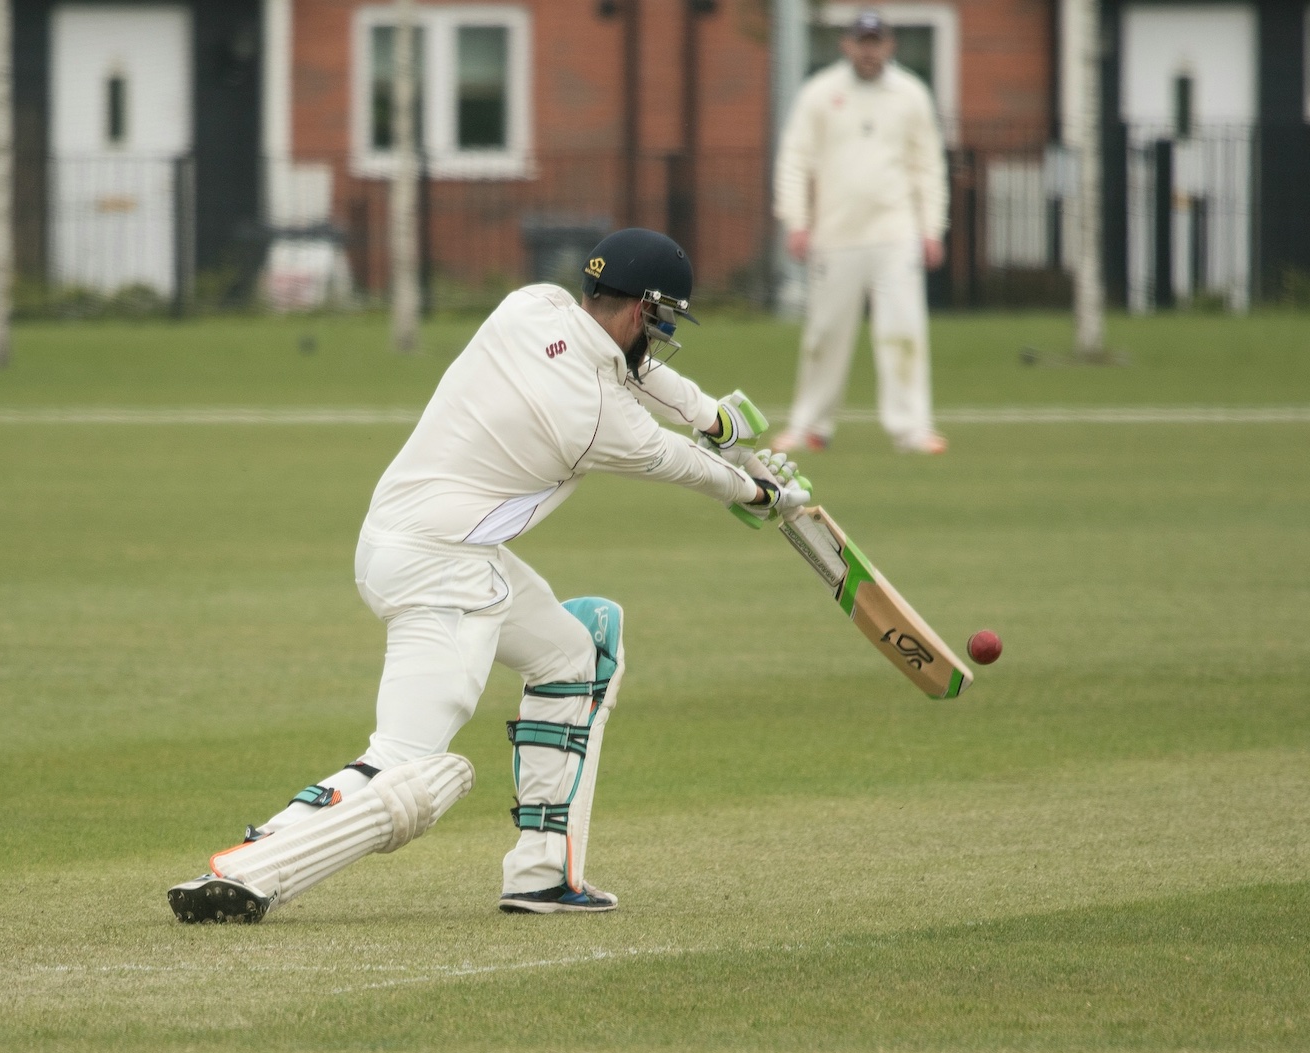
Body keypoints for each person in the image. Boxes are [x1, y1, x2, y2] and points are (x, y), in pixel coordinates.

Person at [167, 228, 809, 924]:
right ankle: (252, 867)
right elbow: (673, 459)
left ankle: (541, 874)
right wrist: (761, 495)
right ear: (639, 313)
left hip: (402, 540)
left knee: (577, 652)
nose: (658, 336)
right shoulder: (597, 419)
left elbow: (640, 375)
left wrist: (716, 419)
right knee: (411, 766)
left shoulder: (529, 307)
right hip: (445, 566)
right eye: (660, 320)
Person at [773, 8, 949, 455]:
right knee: (825, 335)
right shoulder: (820, 93)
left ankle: (911, 429)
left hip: (895, 232)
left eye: (877, 42)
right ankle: (811, 426)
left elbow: (927, 165)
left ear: (889, 45)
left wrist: (932, 228)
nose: (869, 51)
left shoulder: (910, 94)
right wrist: (797, 222)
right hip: (835, 234)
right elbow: (795, 159)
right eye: (861, 42)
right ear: (846, 45)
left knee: (903, 332)